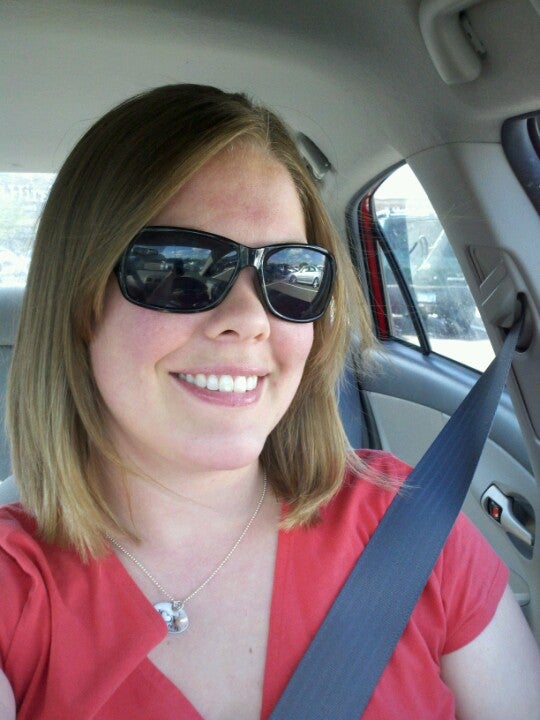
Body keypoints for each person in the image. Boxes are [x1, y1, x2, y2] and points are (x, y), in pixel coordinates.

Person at [1, 84, 539, 720]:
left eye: (291, 274)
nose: (251, 319)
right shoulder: (15, 592)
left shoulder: (411, 530)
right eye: (181, 267)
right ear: (80, 300)